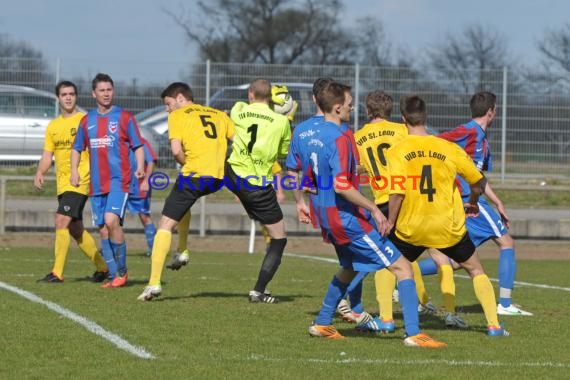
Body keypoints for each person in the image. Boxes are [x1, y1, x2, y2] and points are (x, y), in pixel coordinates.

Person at [288, 82, 445, 347]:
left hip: (324, 214)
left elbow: (298, 173)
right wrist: (373, 208)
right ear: (337, 107)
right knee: (402, 267)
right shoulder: (340, 136)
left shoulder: (306, 132)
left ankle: (323, 323)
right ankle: (414, 334)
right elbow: (340, 184)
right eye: (349, 103)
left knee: (349, 267)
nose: (352, 106)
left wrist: (300, 202)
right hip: (345, 215)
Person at [386, 94, 509, 337]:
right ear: (426, 116)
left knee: (392, 267)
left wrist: (390, 221)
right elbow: (477, 180)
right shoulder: (448, 147)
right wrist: (473, 202)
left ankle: (388, 319)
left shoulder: (397, 151)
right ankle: (494, 325)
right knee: (476, 270)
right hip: (447, 226)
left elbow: (397, 192)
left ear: (403, 119)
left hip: (412, 226)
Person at [415, 91, 532, 316]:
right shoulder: (468, 131)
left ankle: (404, 274)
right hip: (468, 201)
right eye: (495, 109)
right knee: (507, 243)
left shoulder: (483, 140)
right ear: (491, 111)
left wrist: (498, 202)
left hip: (471, 200)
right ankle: (505, 305)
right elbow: (435, 142)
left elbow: (477, 176)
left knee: (458, 260)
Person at [137, 82, 235, 301]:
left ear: (180, 98)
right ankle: (182, 250)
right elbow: (237, 142)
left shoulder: (178, 116)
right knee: (183, 206)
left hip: (194, 175)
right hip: (218, 177)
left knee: (164, 225)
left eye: (168, 104)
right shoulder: (219, 114)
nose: (167, 109)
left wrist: (186, 162)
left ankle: (153, 283)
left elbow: (176, 151)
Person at [71, 73, 145, 288]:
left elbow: (138, 146)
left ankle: (122, 272)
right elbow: (77, 148)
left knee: (112, 221)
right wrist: (74, 171)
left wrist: (140, 167)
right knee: (103, 229)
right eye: (102, 90)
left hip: (119, 180)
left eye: (109, 90)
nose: (106, 94)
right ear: (94, 93)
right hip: (96, 184)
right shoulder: (87, 121)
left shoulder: (124, 118)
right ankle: (114, 276)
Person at [225, 78, 291, 304]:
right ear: (271, 97)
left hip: (232, 174)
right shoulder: (281, 121)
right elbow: (282, 151)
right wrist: (285, 117)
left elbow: (236, 114)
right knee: (279, 239)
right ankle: (259, 291)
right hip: (257, 185)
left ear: (251, 94)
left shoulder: (239, 110)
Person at [34, 80, 107, 283]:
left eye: (72, 94)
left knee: (61, 220)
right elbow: (48, 154)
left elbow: (99, 147)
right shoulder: (53, 126)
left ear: (76, 97)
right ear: (58, 98)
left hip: (80, 180)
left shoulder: (85, 120)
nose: (68, 97)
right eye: (64, 94)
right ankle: (103, 268)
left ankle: (57, 272)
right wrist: (40, 171)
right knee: (75, 229)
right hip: (62, 183)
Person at [126, 137, 157, 256]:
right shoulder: (118, 140)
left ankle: (154, 249)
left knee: (144, 217)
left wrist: (146, 181)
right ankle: (110, 248)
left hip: (139, 187)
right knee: (112, 217)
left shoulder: (142, 142)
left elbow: (151, 161)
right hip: (121, 186)